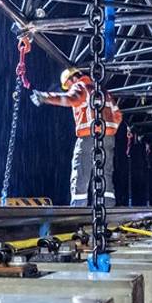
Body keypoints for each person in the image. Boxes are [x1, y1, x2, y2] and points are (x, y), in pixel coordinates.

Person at [30, 68, 122, 206]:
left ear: (73, 79)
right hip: (108, 137)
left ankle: (78, 208)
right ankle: (107, 207)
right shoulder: (103, 91)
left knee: (81, 171)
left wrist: (46, 97)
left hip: (89, 136)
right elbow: (118, 115)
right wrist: (110, 129)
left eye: (68, 85)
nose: (69, 88)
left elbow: (70, 99)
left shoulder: (81, 86)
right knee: (104, 173)